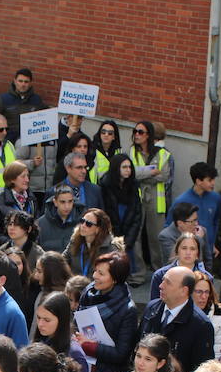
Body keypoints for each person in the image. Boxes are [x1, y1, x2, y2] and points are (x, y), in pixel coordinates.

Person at [75, 252, 141, 372]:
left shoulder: (127, 310)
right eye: (95, 271)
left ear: (115, 279)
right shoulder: (88, 295)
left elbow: (121, 353)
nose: (95, 276)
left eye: (101, 273)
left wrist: (88, 346)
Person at [140, 266, 215, 372]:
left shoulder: (201, 325)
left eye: (168, 283)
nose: (161, 286)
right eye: (162, 280)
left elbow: (201, 371)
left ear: (184, 290)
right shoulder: (152, 308)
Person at [130, 121, 174, 272]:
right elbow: (132, 173)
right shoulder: (132, 152)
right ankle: (138, 272)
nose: (137, 135)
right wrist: (151, 172)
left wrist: (142, 173)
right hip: (137, 199)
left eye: (140, 132)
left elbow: (165, 176)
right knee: (135, 237)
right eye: (135, 131)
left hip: (156, 201)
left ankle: (160, 270)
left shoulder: (163, 154)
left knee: (156, 238)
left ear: (149, 135)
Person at [100, 153, 145, 284]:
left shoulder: (133, 184)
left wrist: (129, 237)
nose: (128, 170)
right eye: (124, 167)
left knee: (134, 247)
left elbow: (137, 212)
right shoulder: (106, 184)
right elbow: (106, 209)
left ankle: (136, 276)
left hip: (129, 222)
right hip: (112, 224)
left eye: (130, 167)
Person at [171, 162, 221, 267]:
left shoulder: (216, 198)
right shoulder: (181, 200)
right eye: (209, 180)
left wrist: (212, 244)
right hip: (188, 251)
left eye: (213, 179)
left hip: (207, 250)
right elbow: (172, 227)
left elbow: (215, 222)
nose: (213, 183)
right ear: (198, 181)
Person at [148, 230, 207, 302]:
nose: (188, 253)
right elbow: (154, 306)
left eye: (192, 249)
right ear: (177, 251)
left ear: (197, 254)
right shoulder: (160, 275)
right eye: (184, 248)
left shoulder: (206, 277)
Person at [0, 161, 41, 233]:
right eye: (23, 176)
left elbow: (37, 224)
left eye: (28, 176)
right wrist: (11, 242)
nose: (27, 180)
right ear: (12, 179)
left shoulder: (31, 199)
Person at [0, 68, 47, 144]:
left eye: (26, 82)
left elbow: (45, 120)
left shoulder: (37, 100)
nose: (23, 84)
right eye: (20, 81)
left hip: (29, 142)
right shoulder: (3, 99)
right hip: (7, 140)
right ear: (14, 81)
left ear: (30, 83)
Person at [65, 207, 115, 277]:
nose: (83, 225)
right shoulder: (75, 240)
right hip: (75, 285)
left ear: (98, 229)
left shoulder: (110, 248)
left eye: (88, 224)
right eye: (82, 221)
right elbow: (63, 260)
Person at [192, 273, 221, 360]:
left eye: (207, 292)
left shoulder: (219, 319)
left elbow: (219, 356)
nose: (203, 297)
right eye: (199, 292)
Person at [38, 183, 83, 254]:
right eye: (62, 202)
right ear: (55, 202)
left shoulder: (83, 223)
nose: (67, 206)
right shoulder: (40, 224)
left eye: (70, 201)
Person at [157, 202, 200, 267]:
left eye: (196, 219)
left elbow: (207, 260)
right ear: (180, 223)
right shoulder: (166, 236)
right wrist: (194, 238)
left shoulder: (201, 231)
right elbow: (172, 261)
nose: (196, 224)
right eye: (192, 221)